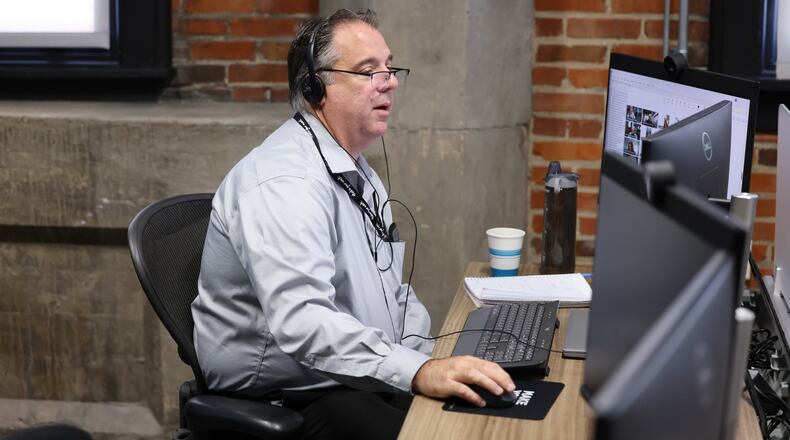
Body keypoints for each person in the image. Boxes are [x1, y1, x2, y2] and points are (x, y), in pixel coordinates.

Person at [191, 9, 514, 440]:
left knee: (480, 420)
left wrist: (433, 359)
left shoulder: (355, 168)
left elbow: (391, 289)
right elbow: (304, 324)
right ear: (315, 86)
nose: (390, 82)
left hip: (347, 372)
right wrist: (418, 372)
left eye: (390, 67)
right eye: (368, 71)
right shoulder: (285, 184)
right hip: (287, 394)